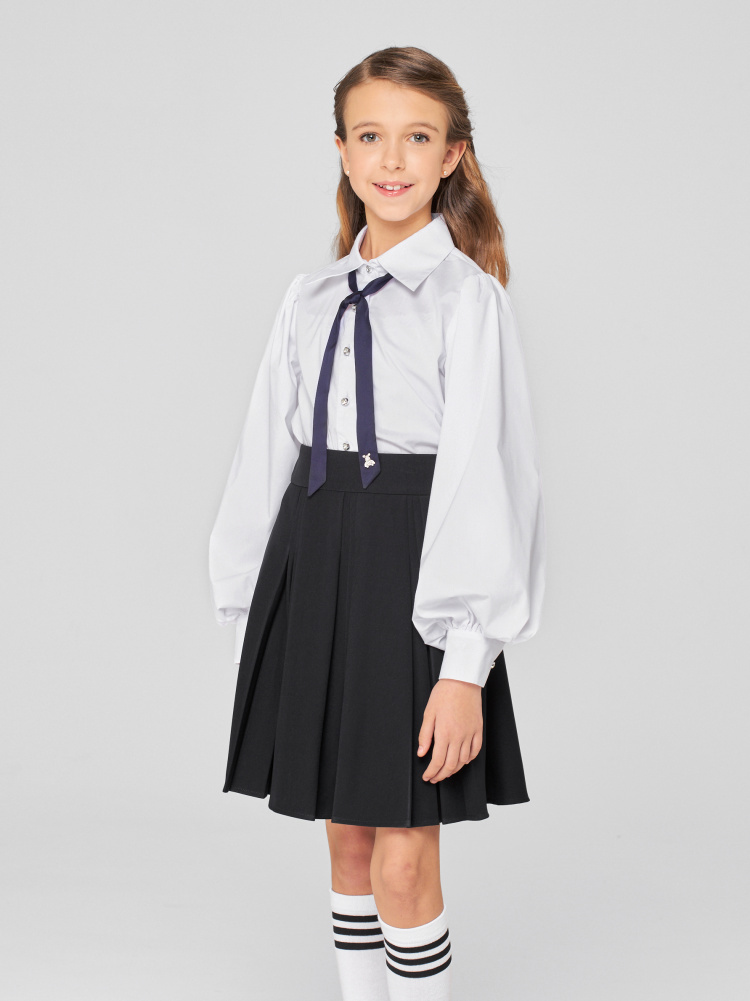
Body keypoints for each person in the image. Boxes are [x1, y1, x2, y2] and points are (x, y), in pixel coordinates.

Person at [208, 45, 546, 1001]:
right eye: (370, 136)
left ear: (452, 155)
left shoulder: (468, 300)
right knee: (349, 840)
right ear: (342, 151)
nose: (392, 159)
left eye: (418, 137)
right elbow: (265, 454)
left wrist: (465, 664)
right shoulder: (308, 296)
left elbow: (489, 479)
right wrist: (249, 610)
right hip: (314, 565)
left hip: (415, 574)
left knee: (403, 855)